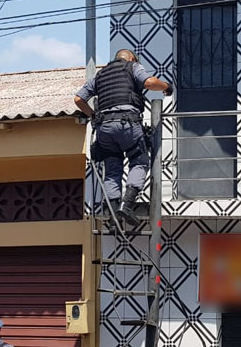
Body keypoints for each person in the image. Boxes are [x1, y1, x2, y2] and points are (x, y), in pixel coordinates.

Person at [74, 49, 173, 225]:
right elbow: (149, 83)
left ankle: (112, 213)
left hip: (104, 129)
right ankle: (126, 206)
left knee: (112, 170)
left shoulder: (100, 75)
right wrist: (167, 87)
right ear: (132, 58)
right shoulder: (133, 67)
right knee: (139, 160)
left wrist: (93, 115)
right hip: (127, 124)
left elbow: (78, 99)